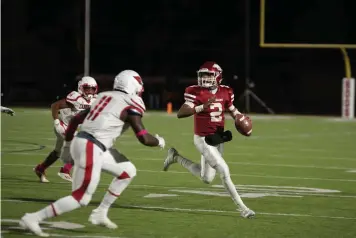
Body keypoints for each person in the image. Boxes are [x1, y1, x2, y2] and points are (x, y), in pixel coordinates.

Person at [20, 70, 165, 237]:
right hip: (91, 145)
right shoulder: (131, 102)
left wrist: (68, 142)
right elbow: (144, 138)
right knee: (81, 198)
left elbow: (75, 120)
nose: (140, 88)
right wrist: (159, 141)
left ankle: (101, 212)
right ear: (133, 84)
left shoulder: (104, 97)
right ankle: (33, 218)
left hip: (91, 144)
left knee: (128, 171)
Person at [163, 61, 255, 218]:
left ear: (218, 76)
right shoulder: (195, 91)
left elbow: (232, 110)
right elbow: (181, 113)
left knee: (206, 178)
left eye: (209, 75)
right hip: (203, 139)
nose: (205, 78)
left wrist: (240, 118)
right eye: (203, 75)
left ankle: (175, 157)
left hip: (218, 138)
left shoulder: (226, 92)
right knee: (224, 171)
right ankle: (243, 208)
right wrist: (202, 107)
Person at [33, 76, 98, 183]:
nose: (90, 91)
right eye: (87, 88)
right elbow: (55, 106)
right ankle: (65, 170)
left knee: (57, 152)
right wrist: (56, 122)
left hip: (72, 128)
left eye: (92, 89)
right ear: (81, 88)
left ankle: (40, 169)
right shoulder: (76, 97)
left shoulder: (95, 100)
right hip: (63, 126)